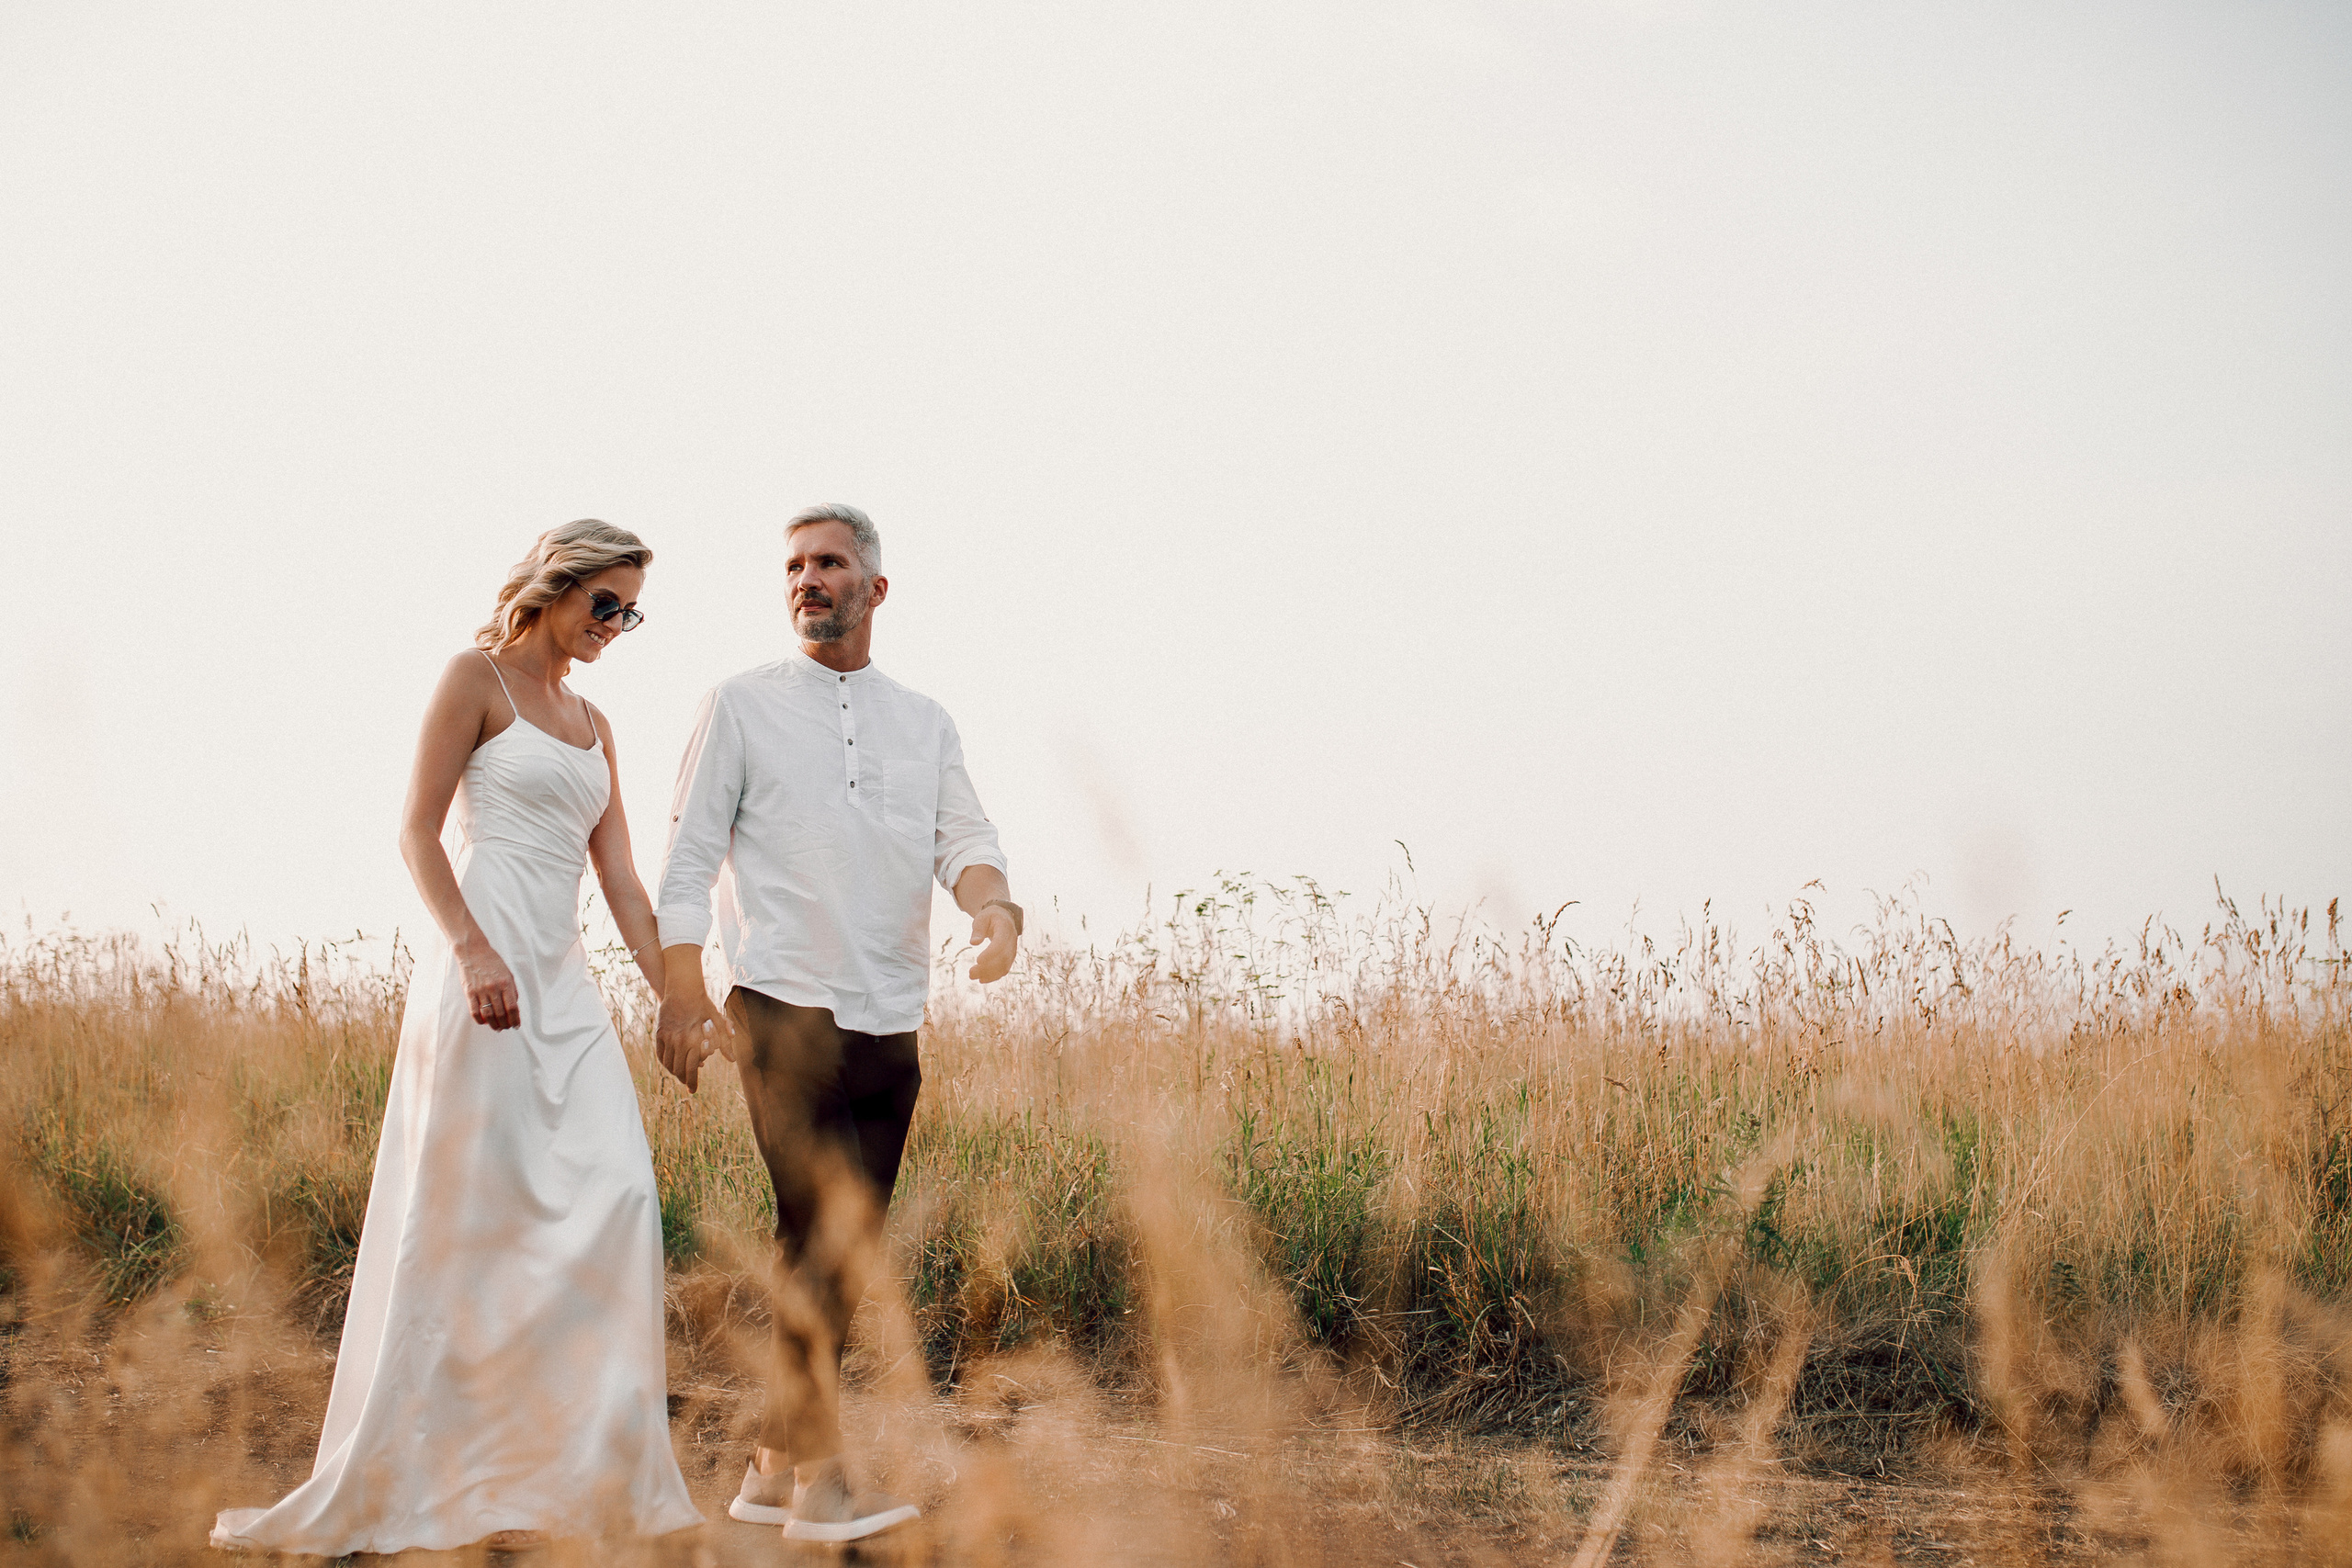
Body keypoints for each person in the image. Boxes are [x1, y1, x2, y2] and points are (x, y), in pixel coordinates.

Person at [211, 522, 702, 1555]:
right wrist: (472, 950)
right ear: (553, 586)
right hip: (480, 971)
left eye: (631, 610)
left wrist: (679, 996)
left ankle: (574, 1474)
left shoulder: (596, 721)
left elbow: (618, 882)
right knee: (468, 1214)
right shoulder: (473, 677)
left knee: (616, 1196)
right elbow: (415, 831)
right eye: (604, 603)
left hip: (565, 990)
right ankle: (433, 1470)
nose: (617, 625)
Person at [654, 502, 1019, 1545]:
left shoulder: (924, 721)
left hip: (889, 1015)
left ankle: (770, 1466)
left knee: (839, 1244)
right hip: (779, 1002)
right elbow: (684, 858)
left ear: (875, 588)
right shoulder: (738, 705)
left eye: (830, 564)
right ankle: (822, 1481)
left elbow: (967, 839)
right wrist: (682, 991)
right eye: (794, 566)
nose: (808, 580)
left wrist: (993, 909)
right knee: (819, 1228)